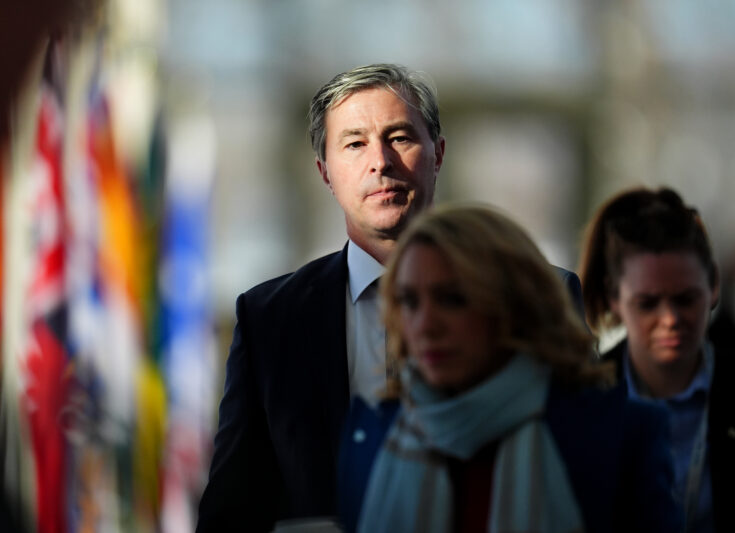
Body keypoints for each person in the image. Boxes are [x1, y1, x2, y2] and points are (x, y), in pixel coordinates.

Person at [196, 64, 585, 532]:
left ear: (438, 153)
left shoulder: (538, 297)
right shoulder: (271, 320)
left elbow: (594, 476)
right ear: (325, 172)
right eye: (355, 144)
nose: (380, 161)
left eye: (399, 137)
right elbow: (233, 511)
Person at [340, 204, 681, 533]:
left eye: (453, 299)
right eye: (410, 302)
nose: (425, 325)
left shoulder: (622, 434)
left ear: (513, 304)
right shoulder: (373, 431)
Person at [578, 186, 735, 532]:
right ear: (613, 298)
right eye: (647, 303)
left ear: (714, 286)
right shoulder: (582, 400)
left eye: (685, 299)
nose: (670, 318)